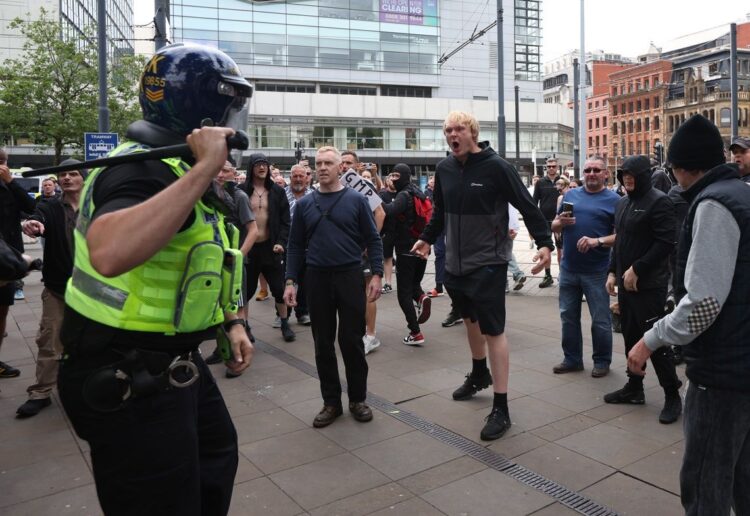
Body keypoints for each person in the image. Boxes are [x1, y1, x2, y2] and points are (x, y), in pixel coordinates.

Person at [56, 43, 254, 515]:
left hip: (171, 359)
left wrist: (232, 321)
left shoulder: (173, 168)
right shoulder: (138, 169)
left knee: (214, 459)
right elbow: (108, 252)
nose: (236, 119)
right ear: (201, 106)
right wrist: (206, 165)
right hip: (125, 370)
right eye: (230, 105)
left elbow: (206, 261)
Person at [627, 114, 749, 514]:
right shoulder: (743, 194)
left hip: (723, 372)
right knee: (743, 479)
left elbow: (703, 302)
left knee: (705, 483)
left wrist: (650, 339)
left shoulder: (715, 204)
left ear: (680, 167)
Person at [411, 111, 552, 441]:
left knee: (493, 330)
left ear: (472, 132)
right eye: (447, 130)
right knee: (470, 320)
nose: (452, 134)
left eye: (458, 129)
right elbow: (440, 212)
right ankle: (478, 374)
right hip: (457, 264)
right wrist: (427, 238)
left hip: (489, 260)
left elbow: (526, 205)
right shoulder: (445, 168)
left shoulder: (496, 166)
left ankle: (501, 407)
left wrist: (545, 243)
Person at [284, 146, 383, 428]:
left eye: (329, 162)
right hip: (317, 278)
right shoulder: (304, 205)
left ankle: (357, 399)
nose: (323, 167)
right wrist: (291, 281)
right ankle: (331, 402)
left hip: (349, 276)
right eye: (319, 163)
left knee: (351, 342)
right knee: (322, 343)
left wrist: (377, 274)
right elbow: (295, 246)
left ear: (341, 167)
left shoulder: (355, 200)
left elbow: (373, 239)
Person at [604, 155, 682, 424]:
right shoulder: (623, 203)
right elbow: (621, 240)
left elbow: (665, 243)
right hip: (626, 285)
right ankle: (634, 387)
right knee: (630, 336)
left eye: (632, 174)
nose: (627, 179)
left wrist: (638, 268)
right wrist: (612, 271)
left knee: (655, 341)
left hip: (650, 285)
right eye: (623, 174)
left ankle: (672, 394)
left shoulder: (660, 201)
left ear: (644, 176)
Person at [16, 163, 85, 418]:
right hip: (57, 288)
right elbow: (38, 216)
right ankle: (41, 392)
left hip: (93, 290)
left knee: (94, 341)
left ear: (84, 178)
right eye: (62, 175)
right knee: (49, 339)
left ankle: (87, 389)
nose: (66, 178)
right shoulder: (51, 205)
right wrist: (32, 223)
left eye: (73, 173)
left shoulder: (97, 206)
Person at [551, 155, 619, 377]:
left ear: (606, 174)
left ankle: (602, 361)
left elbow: (622, 236)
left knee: (600, 320)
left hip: (597, 271)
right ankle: (572, 359)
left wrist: (596, 241)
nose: (591, 174)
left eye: (596, 170)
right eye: (588, 170)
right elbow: (553, 226)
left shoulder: (615, 200)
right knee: (568, 317)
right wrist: (560, 223)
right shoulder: (570, 195)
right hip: (568, 269)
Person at [204, 160, 259, 377]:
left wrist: (237, 257)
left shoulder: (239, 197)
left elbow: (253, 230)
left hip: (232, 266)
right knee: (220, 309)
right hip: (213, 265)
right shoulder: (209, 196)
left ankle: (237, 359)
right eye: (217, 169)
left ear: (234, 175)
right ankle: (223, 348)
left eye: (225, 170)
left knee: (237, 308)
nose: (220, 174)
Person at [241, 152, 295, 342]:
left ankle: (284, 323)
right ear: (251, 168)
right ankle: (244, 326)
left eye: (265, 164)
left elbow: (286, 221)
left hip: (272, 249)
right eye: (258, 165)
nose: (262, 167)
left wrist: (281, 242)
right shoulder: (242, 191)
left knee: (279, 290)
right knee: (245, 292)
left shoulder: (278, 192)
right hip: (249, 249)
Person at [340, 150, 386, 354]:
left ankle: (371, 335)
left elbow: (380, 213)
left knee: (368, 291)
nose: (344, 166)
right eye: (341, 163)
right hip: (344, 249)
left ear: (358, 166)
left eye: (348, 162)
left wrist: (370, 241)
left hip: (361, 249)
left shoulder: (363, 185)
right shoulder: (337, 185)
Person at [383, 163, 431, 345]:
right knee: (414, 285)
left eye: (396, 176)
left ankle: (415, 333)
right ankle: (422, 297)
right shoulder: (418, 191)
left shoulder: (403, 195)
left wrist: (373, 198)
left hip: (406, 249)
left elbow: (389, 211)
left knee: (403, 292)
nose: (393, 179)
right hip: (422, 248)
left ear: (404, 176)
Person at [0, 147, 36, 378]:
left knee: (2, 311)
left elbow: (31, 207)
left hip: (9, 261)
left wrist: (12, 182)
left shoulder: (10, 186)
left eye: (3, 161)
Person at [284, 164, 314, 326]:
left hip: (308, 245)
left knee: (305, 280)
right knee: (287, 278)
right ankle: (283, 314)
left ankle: (302, 312)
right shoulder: (281, 195)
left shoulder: (314, 195)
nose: (298, 179)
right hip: (286, 244)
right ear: (290, 178)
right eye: (295, 176)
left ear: (306, 178)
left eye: (301, 176)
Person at [532, 157, 559, 288]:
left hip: (560, 222)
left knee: (562, 250)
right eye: (549, 166)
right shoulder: (540, 182)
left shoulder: (562, 181)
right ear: (546, 168)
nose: (551, 168)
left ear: (557, 167)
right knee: (546, 249)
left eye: (553, 166)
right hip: (544, 221)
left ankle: (563, 275)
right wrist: (535, 221)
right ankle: (548, 276)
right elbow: (534, 202)